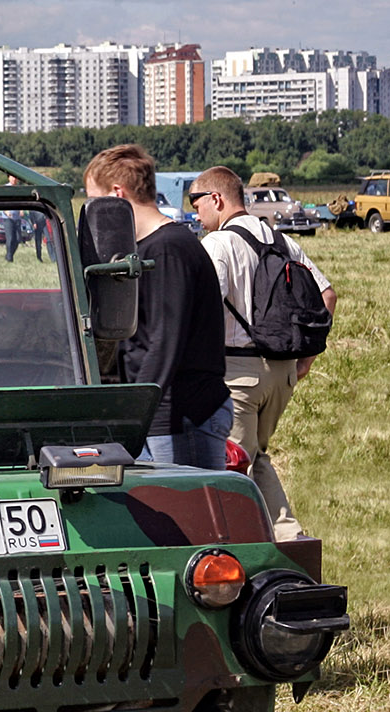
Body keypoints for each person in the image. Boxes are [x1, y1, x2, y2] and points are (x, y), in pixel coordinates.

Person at [192, 164, 337, 539]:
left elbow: (203, 308)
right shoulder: (281, 240)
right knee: (256, 456)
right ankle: (290, 536)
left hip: (237, 373)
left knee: (232, 466)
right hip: (283, 372)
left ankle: (241, 549)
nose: (195, 212)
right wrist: (305, 359)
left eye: (196, 203)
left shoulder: (217, 245)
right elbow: (327, 295)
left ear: (217, 199)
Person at [84, 145, 231, 469]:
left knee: (189, 515)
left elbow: (164, 342)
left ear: (116, 195)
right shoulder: (148, 249)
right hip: (159, 415)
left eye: (94, 201)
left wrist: (133, 415)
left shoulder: (167, 251)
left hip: (179, 417)